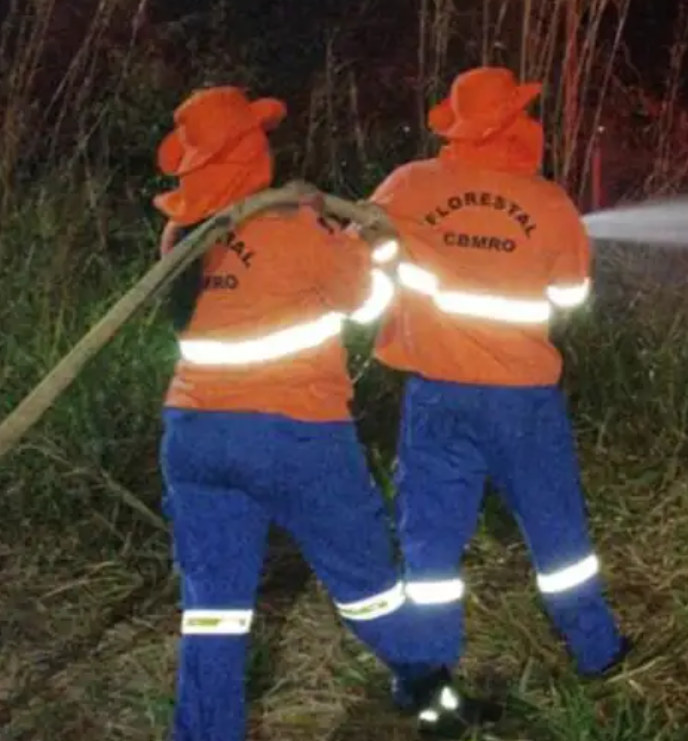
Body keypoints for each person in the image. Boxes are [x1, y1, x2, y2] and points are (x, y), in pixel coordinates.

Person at [152, 85, 498, 741]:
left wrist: (311, 223)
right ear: (253, 151)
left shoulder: (181, 236)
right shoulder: (294, 232)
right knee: (368, 585)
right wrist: (356, 238)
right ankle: (431, 693)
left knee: (214, 611)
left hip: (194, 437)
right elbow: (364, 305)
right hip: (294, 436)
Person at [363, 66, 630, 694]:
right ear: (517, 125)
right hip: (522, 403)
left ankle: (422, 678)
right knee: (557, 529)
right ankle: (598, 651)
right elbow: (569, 297)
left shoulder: (408, 185)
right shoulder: (550, 203)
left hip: (436, 394)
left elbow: (362, 259)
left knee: (429, 543)